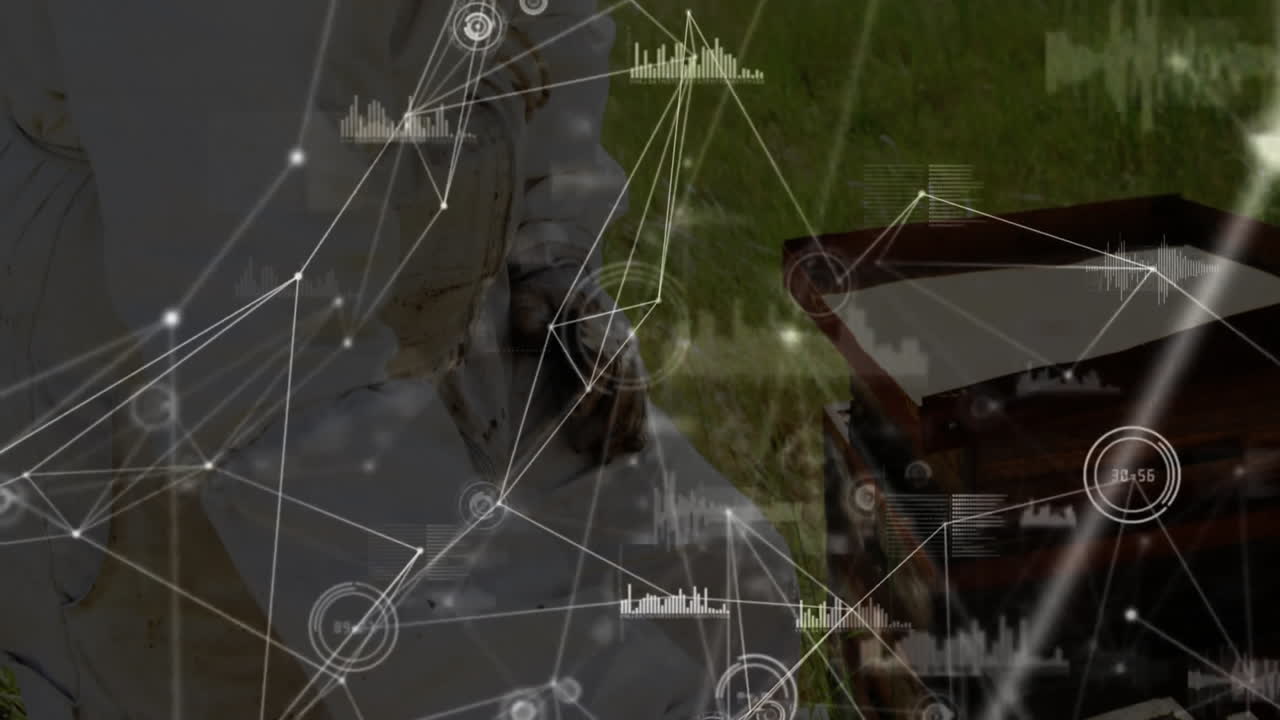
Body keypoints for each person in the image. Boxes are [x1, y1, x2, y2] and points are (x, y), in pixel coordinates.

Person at [0, 1, 801, 718]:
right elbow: (280, 387)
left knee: (726, 594)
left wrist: (552, 253)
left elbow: (549, 31)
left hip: (427, 268)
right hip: (184, 355)